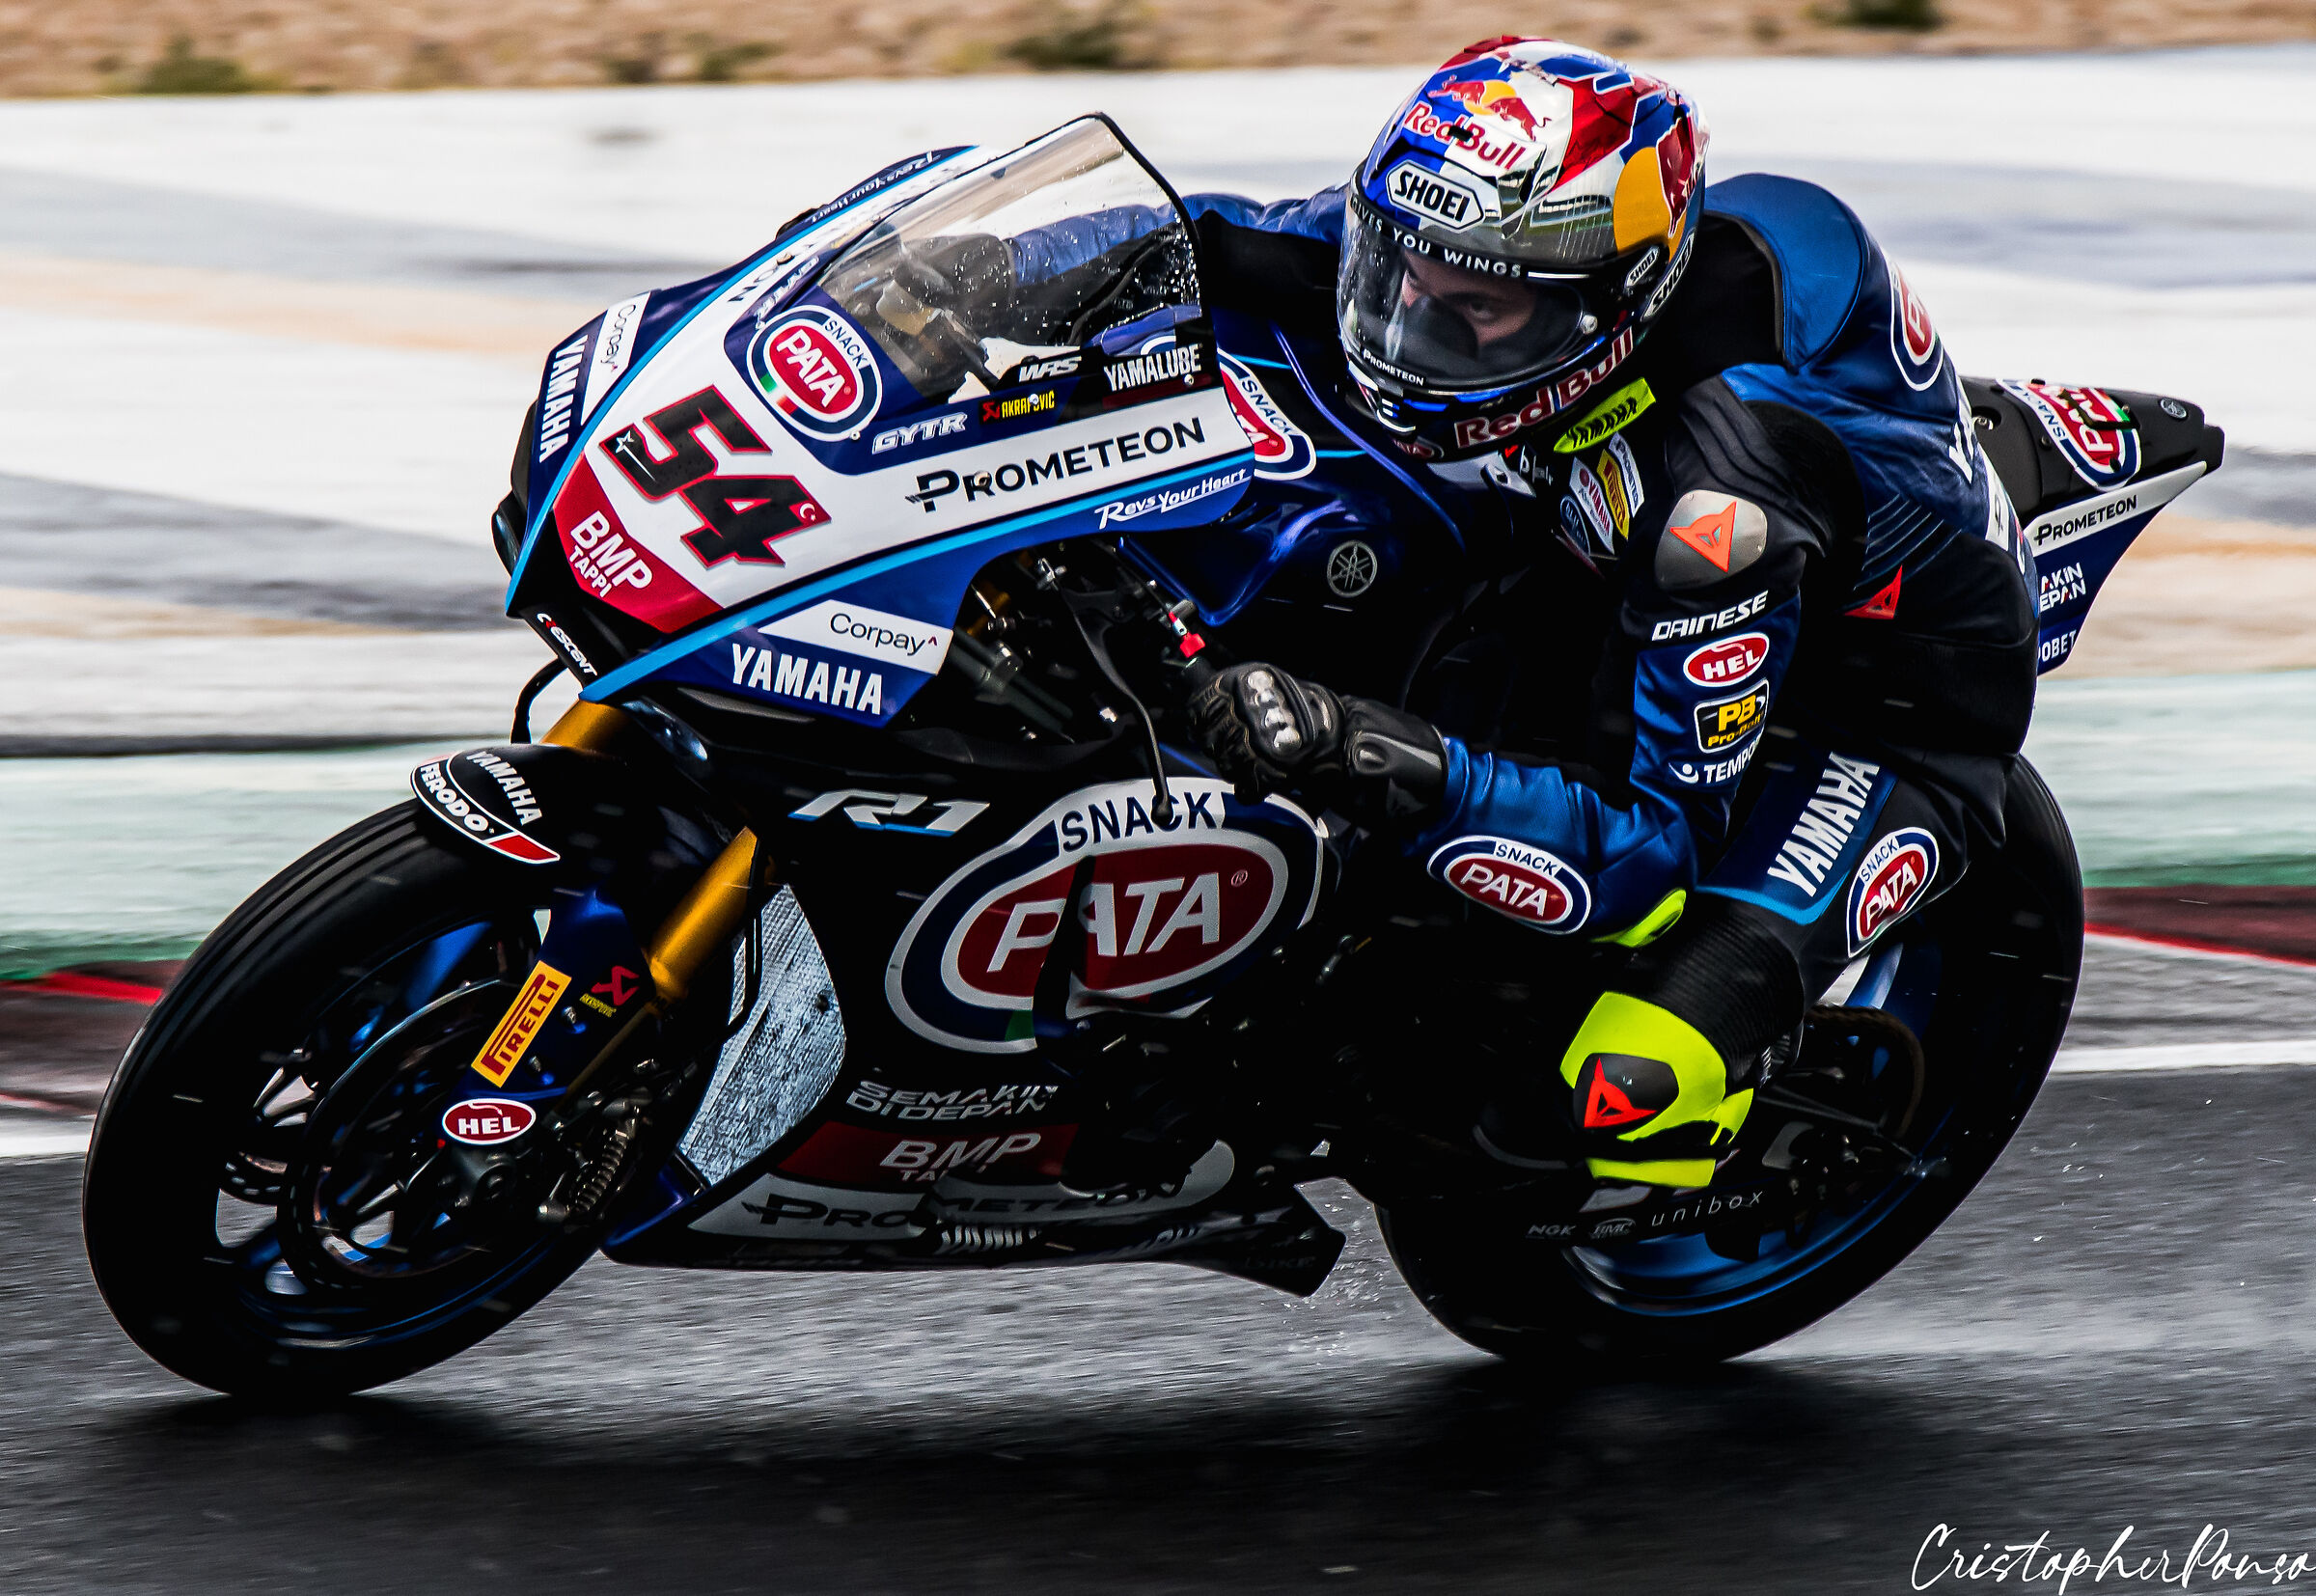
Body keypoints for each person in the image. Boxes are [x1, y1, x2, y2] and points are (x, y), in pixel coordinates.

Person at [1164, 38, 2040, 1188]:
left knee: (1605, 1093)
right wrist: (960, 279)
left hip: (1875, 700)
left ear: (1603, 311)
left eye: (1472, 312)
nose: (1410, 327)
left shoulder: (1721, 504)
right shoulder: (1487, 245)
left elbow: (1649, 848)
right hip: (1592, 559)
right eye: (1402, 277)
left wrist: (1360, 746)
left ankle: (1718, 1130)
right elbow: (1220, 239)